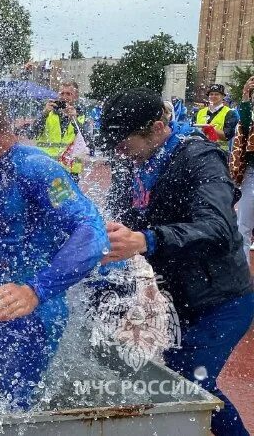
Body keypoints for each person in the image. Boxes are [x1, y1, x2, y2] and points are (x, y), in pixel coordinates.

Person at [98, 88, 254, 436]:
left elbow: (218, 229)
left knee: (189, 380)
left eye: (124, 144)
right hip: (179, 299)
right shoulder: (132, 163)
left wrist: (147, 239)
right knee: (173, 380)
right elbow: (119, 220)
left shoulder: (200, 158)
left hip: (224, 299)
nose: (119, 154)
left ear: (156, 128)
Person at [0, 89, 109, 409]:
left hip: (30, 315)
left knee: (3, 412)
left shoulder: (36, 169)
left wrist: (35, 290)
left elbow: (91, 232)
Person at [32, 81, 92, 182]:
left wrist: (74, 120)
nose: (64, 97)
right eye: (62, 93)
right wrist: (44, 114)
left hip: (70, 169)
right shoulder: (48, 112)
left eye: (69, 94)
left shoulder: (81, 116)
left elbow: (87, 141)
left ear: (76, 96)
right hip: (47, 166)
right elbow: (32, 133)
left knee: (69, 198)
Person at [231, 75, 254, 258]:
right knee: (243, 227)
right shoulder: (250, 116)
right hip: (252, 175)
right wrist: (246, 96)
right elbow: (245, 124)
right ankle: (244, 279)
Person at [193, 84, 239, 149]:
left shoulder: (230, 113)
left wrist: (211, 129)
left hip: (219, 151)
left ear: (223, 96)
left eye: (217, 94)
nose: (213, 96)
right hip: (199, 149)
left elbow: (227, 136)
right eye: (211, 94)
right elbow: (192, 130)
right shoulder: (199, 112)